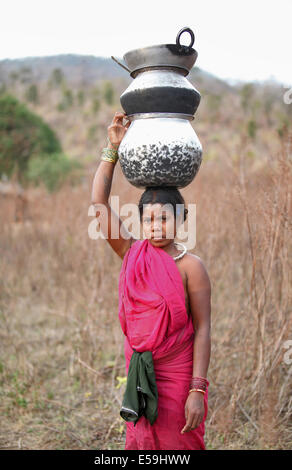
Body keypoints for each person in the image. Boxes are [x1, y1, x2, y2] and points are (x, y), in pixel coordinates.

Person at [91, 111, 211, 450]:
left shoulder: (192, 267)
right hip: (139, 372)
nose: (157, 226)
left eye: (165, 218)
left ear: (182, 220)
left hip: (177, 376)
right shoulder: (131, 252)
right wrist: (112, 149)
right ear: (140, 221)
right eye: (150, 219)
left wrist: (197, 389)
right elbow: (99, 204)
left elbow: (203, 329)